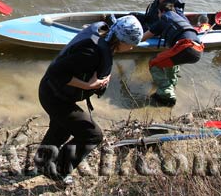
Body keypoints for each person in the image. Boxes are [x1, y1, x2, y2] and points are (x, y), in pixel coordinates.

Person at [34, 15, 143, 185]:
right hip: (54, 96)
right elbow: (58, 73)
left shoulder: (104, 37)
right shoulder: (91, 51)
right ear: (121, 39)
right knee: (92, 135)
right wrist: (88, 86)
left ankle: (42, 162)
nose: (130, 49)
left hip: (55, 92)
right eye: (131, 44)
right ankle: (57, 171)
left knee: (61, 129)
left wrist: (97, 83)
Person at [141, 2, 204, 107]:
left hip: (186, 47)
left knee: (154, 63)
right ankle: (171, 84)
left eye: (158, 13)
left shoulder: (163, 19)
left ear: (161, 12)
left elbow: (144, 37)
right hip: (198, 49)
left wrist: (128, 41)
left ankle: (167, 93)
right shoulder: (178, 19)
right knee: (170, 61)